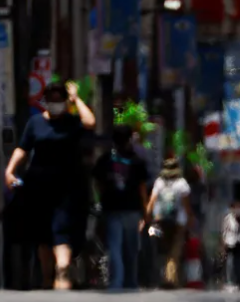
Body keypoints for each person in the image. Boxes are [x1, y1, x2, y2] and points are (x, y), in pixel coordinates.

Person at [5, 81, 96, 290]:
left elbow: (91, 122)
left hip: (68, 189)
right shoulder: (35, 123)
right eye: (51, 99)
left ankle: (63, 271)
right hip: (39, 187)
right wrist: (10, 171)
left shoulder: (72, 122)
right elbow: (23, 148)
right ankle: (48, 276)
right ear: (45, 101)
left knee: (62, 229)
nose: (55, 103)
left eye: (60, 99)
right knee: (43, 234)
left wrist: (76, 99)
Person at [92, 125, 149, 290]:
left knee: (114, 247)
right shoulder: (137, 161)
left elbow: (96, 181)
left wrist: (101, 197)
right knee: (131, 248)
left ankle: (116, 282)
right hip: (132, 210)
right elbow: (142, 188)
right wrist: (145, 212)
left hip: (112, 208)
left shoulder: (105, 160)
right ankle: (130, 282)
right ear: (130, 139)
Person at [147, 158, 195, 288]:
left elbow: (152, 201)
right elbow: (186, 205)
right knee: (174, 251)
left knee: (162, 249)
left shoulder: (159, 182)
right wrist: (190, 218)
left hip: (159, 221)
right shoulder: (182, 183)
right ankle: (169, 279)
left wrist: (146, 217)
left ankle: (163, 277)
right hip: (178, 222)